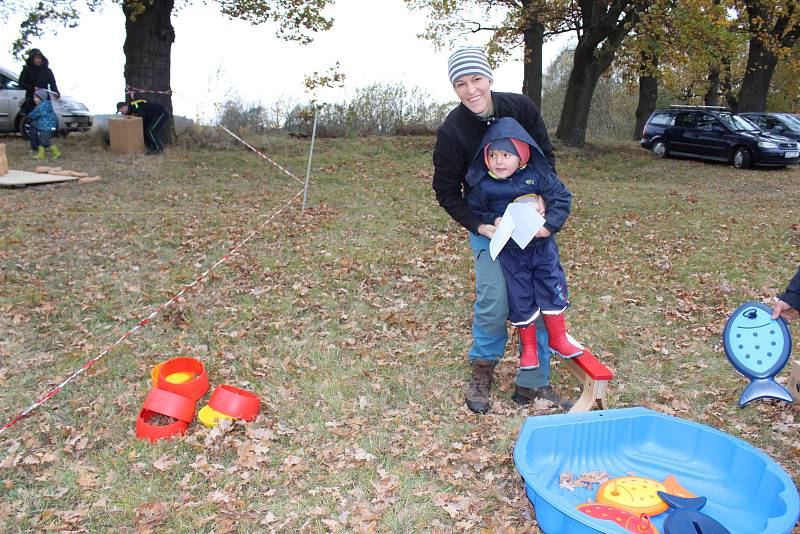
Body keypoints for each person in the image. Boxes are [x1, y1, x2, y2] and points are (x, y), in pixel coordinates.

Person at [433, 46, 572, 414]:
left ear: (489, 78)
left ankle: (533, 383)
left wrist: (542, 199)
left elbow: (546, 155)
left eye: (476, 79)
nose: (470, 90)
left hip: (528, 223)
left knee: (541, 297)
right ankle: (483, 367)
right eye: (460, 83)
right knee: (494, 299)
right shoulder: (452, 131)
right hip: (489, 225)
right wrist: (481, 226)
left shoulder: (520, 108)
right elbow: (446, 192)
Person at [467, 117, 583, 371]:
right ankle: (528, 348)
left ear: (521, 155)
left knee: (551, 289)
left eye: (506, 154)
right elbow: (474, 210)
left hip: (542, 250)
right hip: (511, 254)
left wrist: (548, 226)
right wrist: (493, 219)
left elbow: (562, 198)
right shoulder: (484, 186)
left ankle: (559, 338)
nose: (499, 161)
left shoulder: (538, 176)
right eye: (493, 155)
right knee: (521, 298)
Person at [18, 49, 60, 115]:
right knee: (32, 117)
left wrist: (56, 93)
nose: (38, 60)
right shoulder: (26, 70)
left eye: (40, 58)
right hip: (31, 98)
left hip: (44, 98)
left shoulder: (47, 71)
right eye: (36, 58)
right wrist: (33, 88)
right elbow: (21, 83)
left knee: (46, 118)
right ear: (32, 59)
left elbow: (53, 84)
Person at [27, 88, 61, 160]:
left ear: (41, 98)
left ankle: (56, 152)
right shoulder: (46, 104)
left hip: (47, 127)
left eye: (36, 97)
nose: (34, 99)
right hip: (46, 126)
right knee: (40, 139)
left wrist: (29, 115)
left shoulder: (41, 106)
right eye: (34, 97)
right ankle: (40, 154)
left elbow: (35, 114)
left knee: (44, 140)